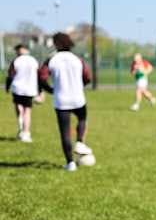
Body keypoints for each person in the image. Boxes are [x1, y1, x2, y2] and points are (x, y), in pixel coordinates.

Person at [39, 32, 94, 171]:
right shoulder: (77, 59)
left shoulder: (51, 59)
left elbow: (41, 77)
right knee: (82, 119)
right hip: (78, 98)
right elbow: (87, 77)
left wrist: (50, 90)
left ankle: (70, 163)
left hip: (61, 99)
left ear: (56, 44)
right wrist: (79, 85)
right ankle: (80, 142)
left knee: (65, 132)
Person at [5, 44, 40, 143]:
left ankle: (21, 126)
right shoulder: (33, 60)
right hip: (30, 89)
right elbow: (39, 76)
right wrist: (39, 91)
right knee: (27, 111)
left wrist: (7, 87)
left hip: (17, 88)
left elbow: (10, 75)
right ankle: (26, 132)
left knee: (19, 108)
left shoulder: (16, 61)